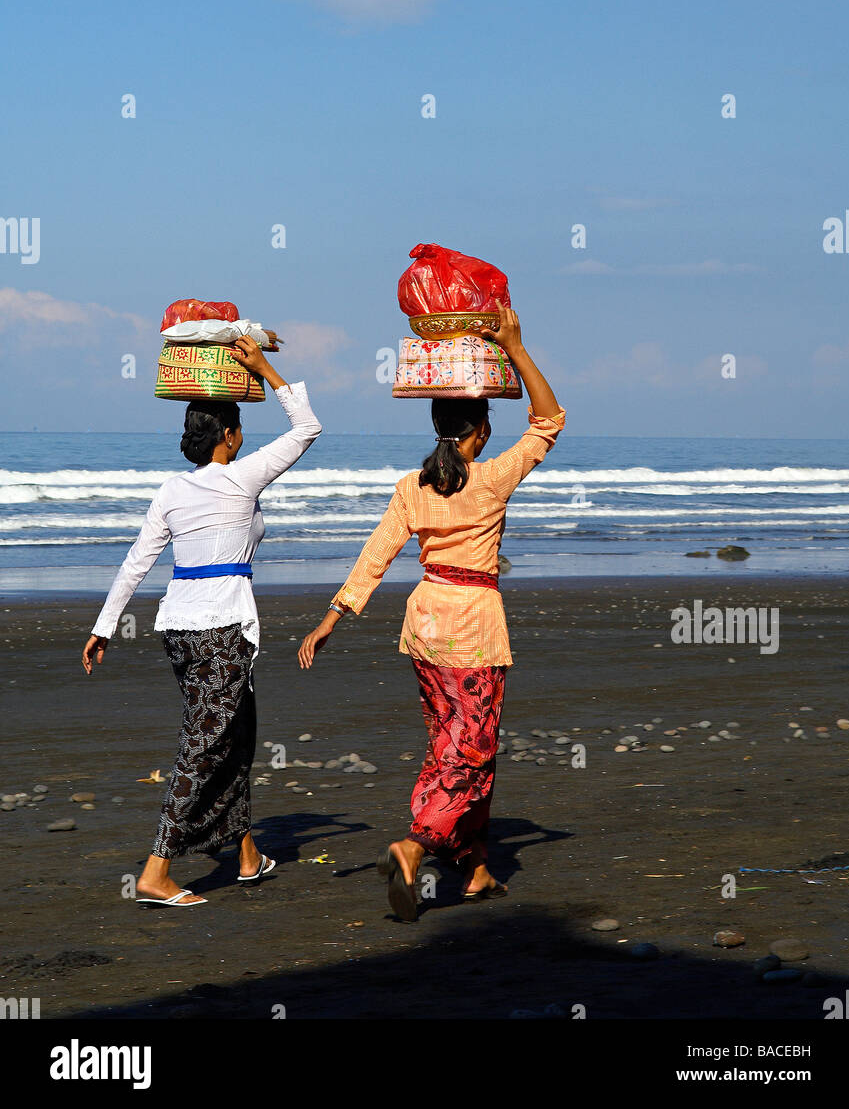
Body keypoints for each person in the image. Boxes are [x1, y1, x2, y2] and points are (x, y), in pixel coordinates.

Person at [299, 302, 564, 920]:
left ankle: (473, 872)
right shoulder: (493, 478)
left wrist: (334, 616)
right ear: (481, 432)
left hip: (423, 627)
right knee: (470, 750)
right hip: (472, 627)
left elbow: (377, 554)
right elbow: (550, 419)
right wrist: (517, 347)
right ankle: (415, 848)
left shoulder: (411, 487)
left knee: (451, 742)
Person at [82, 336, 322, 907]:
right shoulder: (244, 476)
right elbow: (308, 427)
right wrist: (264, 366)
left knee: (236, 737)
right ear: (231, 436)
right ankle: (157, 869)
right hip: (222, 631)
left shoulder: (171, 489)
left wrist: (104, 626)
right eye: (240, 431)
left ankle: (245, 855)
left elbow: (138, 560)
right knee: (205, 745)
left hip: (180, 631)